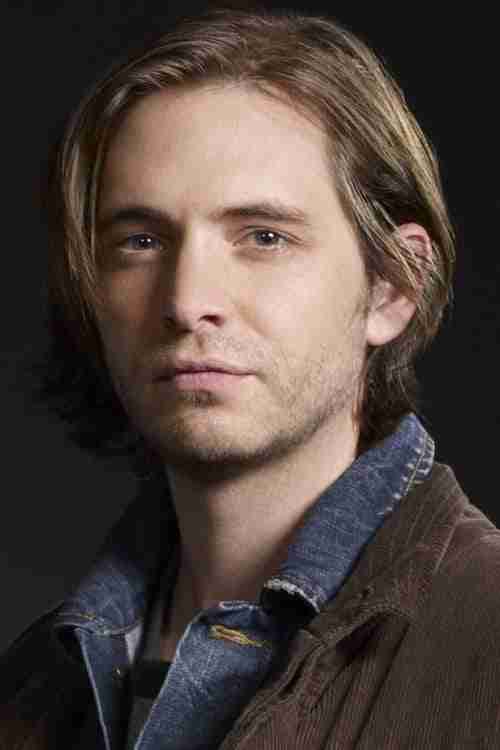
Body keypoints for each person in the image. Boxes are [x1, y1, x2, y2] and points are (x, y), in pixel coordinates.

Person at [2, 3, 499, 748]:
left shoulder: (485, 643)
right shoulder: (33, 686)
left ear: (393, 285)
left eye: (264, 237)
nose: (186, 301)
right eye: (141, 241)